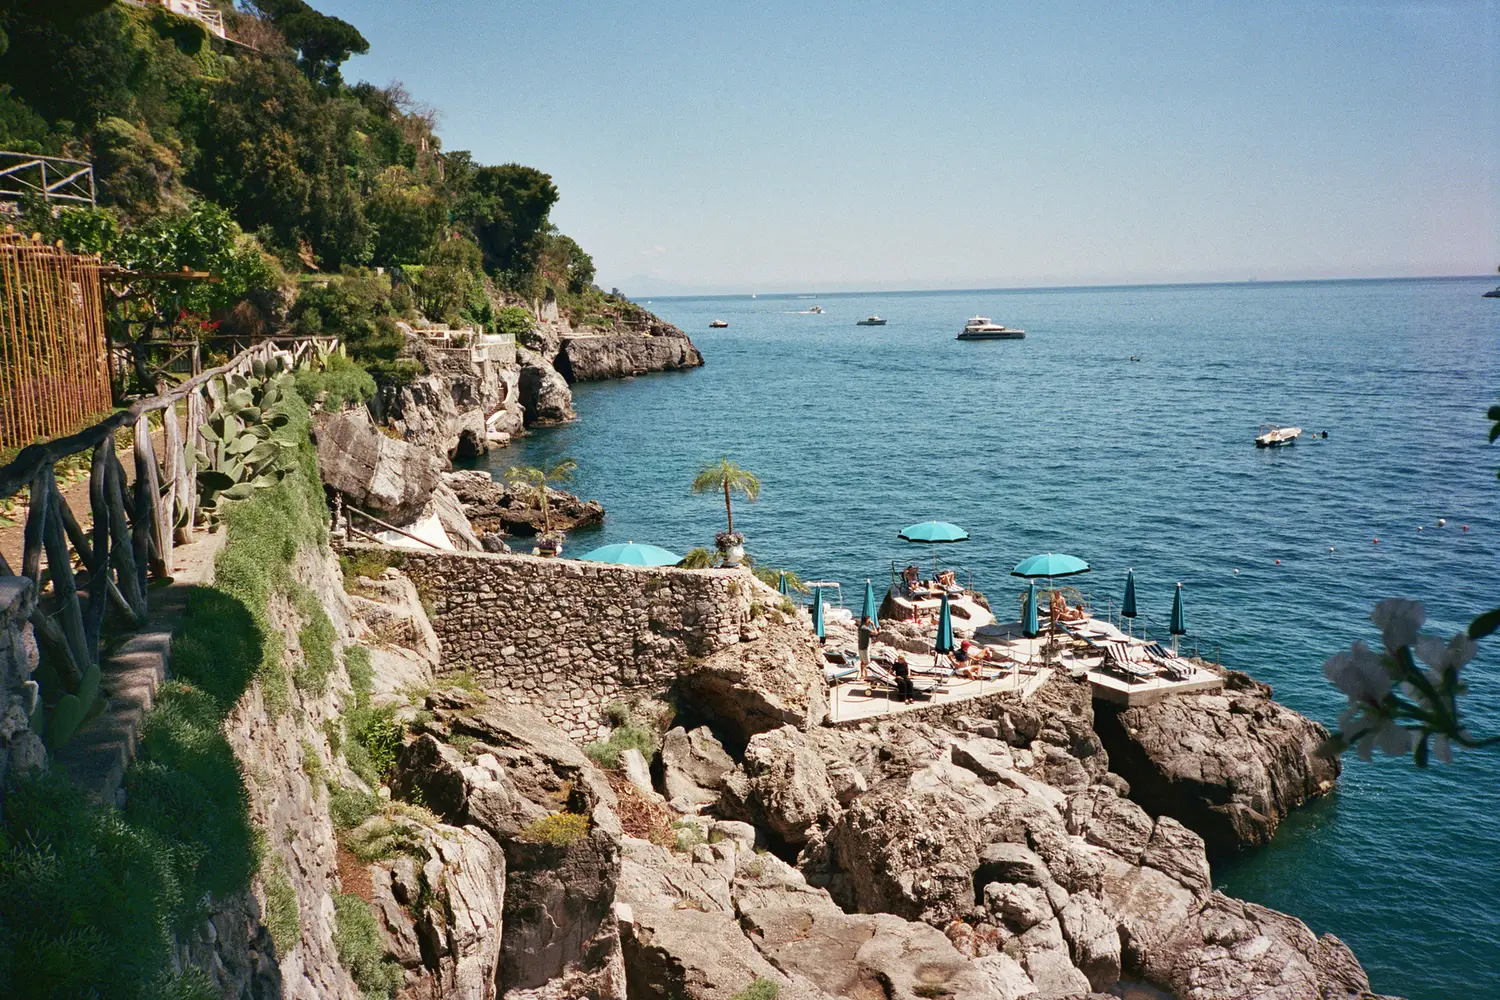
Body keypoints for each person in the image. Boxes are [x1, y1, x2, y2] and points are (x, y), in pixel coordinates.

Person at [857, 615, 877, 680]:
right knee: (867, 663)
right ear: (866, 621)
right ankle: (866, 676)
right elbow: (875, 633)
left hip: (860, 646)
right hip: (865, 647)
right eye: (869, 620)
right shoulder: (865, 628)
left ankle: (862, 674)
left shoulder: (860, 626)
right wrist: (873, 625)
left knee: (862, 662)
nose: (870, 621)